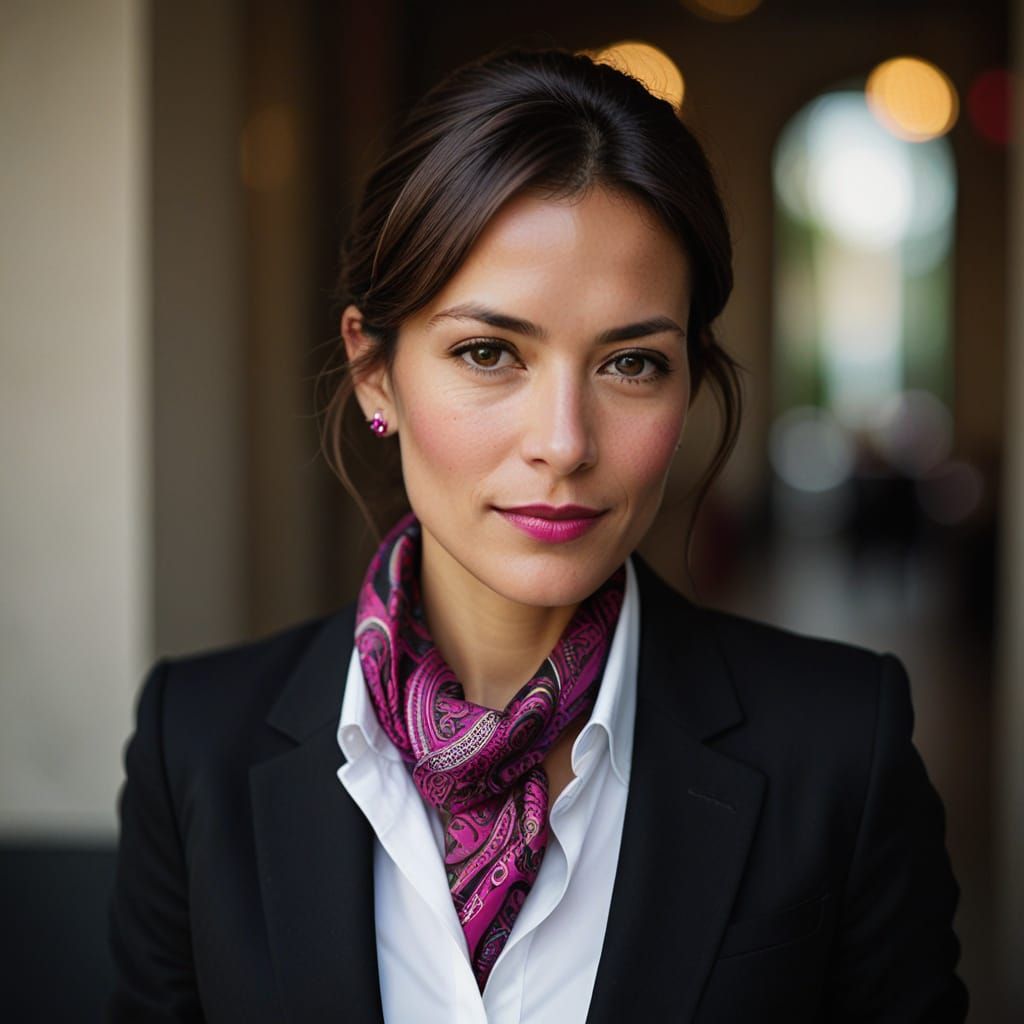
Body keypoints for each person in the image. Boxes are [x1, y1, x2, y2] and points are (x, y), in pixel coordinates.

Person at [108, 45, 969, 1023]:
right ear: (375, 373)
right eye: (488, 352)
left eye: (631, 364)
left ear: (689, 383)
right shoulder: (197, 744)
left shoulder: (838, 749)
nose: (563, 442)